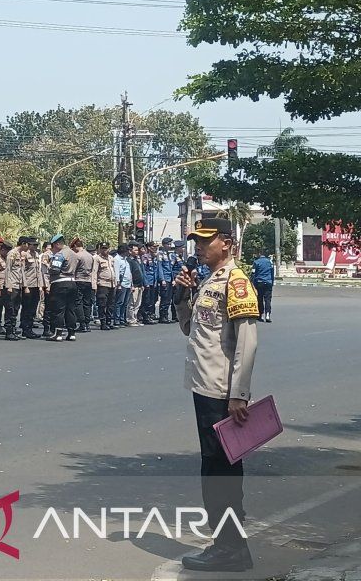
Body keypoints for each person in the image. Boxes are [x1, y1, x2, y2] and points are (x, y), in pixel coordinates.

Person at [173, 217, 260, 573]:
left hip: (222, 394)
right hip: (205, 387)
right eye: (196, 239)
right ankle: (229, 546)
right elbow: (191, 329)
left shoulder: (236, 282)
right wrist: (182, 296)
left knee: (220, 472)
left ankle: (229, 550)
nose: (198, 246)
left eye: (205, 240)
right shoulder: (210, 281)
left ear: (226, 242)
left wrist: (238, 393)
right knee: (215, 468)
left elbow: (248, 340)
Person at [44, 234, 79, 342]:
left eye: (53, 247)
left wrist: (48, 266)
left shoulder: (60, 254)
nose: (52, 251)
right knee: (70, 309)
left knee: (58, 310)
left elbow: (55, 269)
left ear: (58, 244)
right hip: (72, 282)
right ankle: (71, 332)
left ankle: (58, 333)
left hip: (60, 283)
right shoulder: (73, 254)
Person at [71, 238, 95, 333]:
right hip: (88, 281)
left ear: (76, 246)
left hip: (78, 280)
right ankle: (87, 323)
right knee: (87, 302)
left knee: (78, 302)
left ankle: (82, 323)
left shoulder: (77, 256)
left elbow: (73, 268)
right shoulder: (90, 256)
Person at [92, 242, 117, 331]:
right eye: (102, 248)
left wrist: (116, 282)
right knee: (102, 304)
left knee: (111, 304)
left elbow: (114, 271)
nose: (104, 250)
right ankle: (103, 322)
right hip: (102, 284)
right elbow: (94, 272)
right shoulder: (97, 259)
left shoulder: (111, 258)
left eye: (106, 248)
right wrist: (94, 285)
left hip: (111, 284)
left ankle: (109, 321)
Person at [250, 253, 274, 323]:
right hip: (268, 282)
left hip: (259, 282)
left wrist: (251, 282)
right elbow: (272, 273)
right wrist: (272, 282)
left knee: (259, 299)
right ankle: (268, 315)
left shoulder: (256, 262)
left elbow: (253, 273)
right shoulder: (270, 262)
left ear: (259, 255)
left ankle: (261, 314)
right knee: (268, 300)